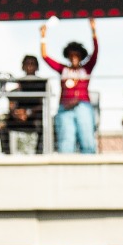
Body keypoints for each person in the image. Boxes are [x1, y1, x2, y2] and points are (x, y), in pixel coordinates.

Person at [41, 19, 99, 154]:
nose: (74, 58)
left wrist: (93, 30)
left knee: (87, 140)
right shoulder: (63, 70)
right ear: (67, 56)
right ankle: (66, 170)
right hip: (65, 107)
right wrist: (43, 36)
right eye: (71, 55)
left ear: (81, 56)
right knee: (66, 141)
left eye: (77, 55)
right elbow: (45, 57)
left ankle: (90, 168)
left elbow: (96, 52)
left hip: (83, 106)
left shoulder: (86, 69)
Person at [0, 54, 47, 155]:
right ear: (23, 66)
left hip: (34, 117)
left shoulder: (43, 83)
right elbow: (11, 100)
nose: (29, 66)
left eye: (32, 64)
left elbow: (44, 104)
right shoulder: (18, 82)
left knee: (45, 125)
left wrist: (28, 112)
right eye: (27, 64)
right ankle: (7, 154)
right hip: (18, 117)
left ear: (37, 67)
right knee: (1, 124)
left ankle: (39, 155)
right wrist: (15, 113)